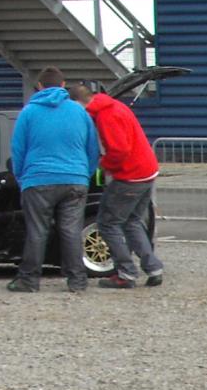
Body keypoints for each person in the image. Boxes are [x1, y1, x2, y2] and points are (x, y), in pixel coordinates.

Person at [7, 67, 102, 293]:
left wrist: (22, 178)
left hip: (38, 179)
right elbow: (93, 149)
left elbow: (18, 150)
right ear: (63, 85)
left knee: (38, 231)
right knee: (71, 230)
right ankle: (77, 281)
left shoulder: (29, 112)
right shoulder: (79, 112)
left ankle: (29, 280)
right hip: (75, 179)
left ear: (39, 86)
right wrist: (84, 173)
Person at [69, 81, 164, 289]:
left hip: (130, 175)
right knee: (132, 221)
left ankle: (126, 272)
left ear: (78, 103)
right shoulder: (115, 106)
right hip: (147, 170)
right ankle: (153, 268)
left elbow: (119, 150)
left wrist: (104, 165)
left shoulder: (106, 116)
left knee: (108, 223)